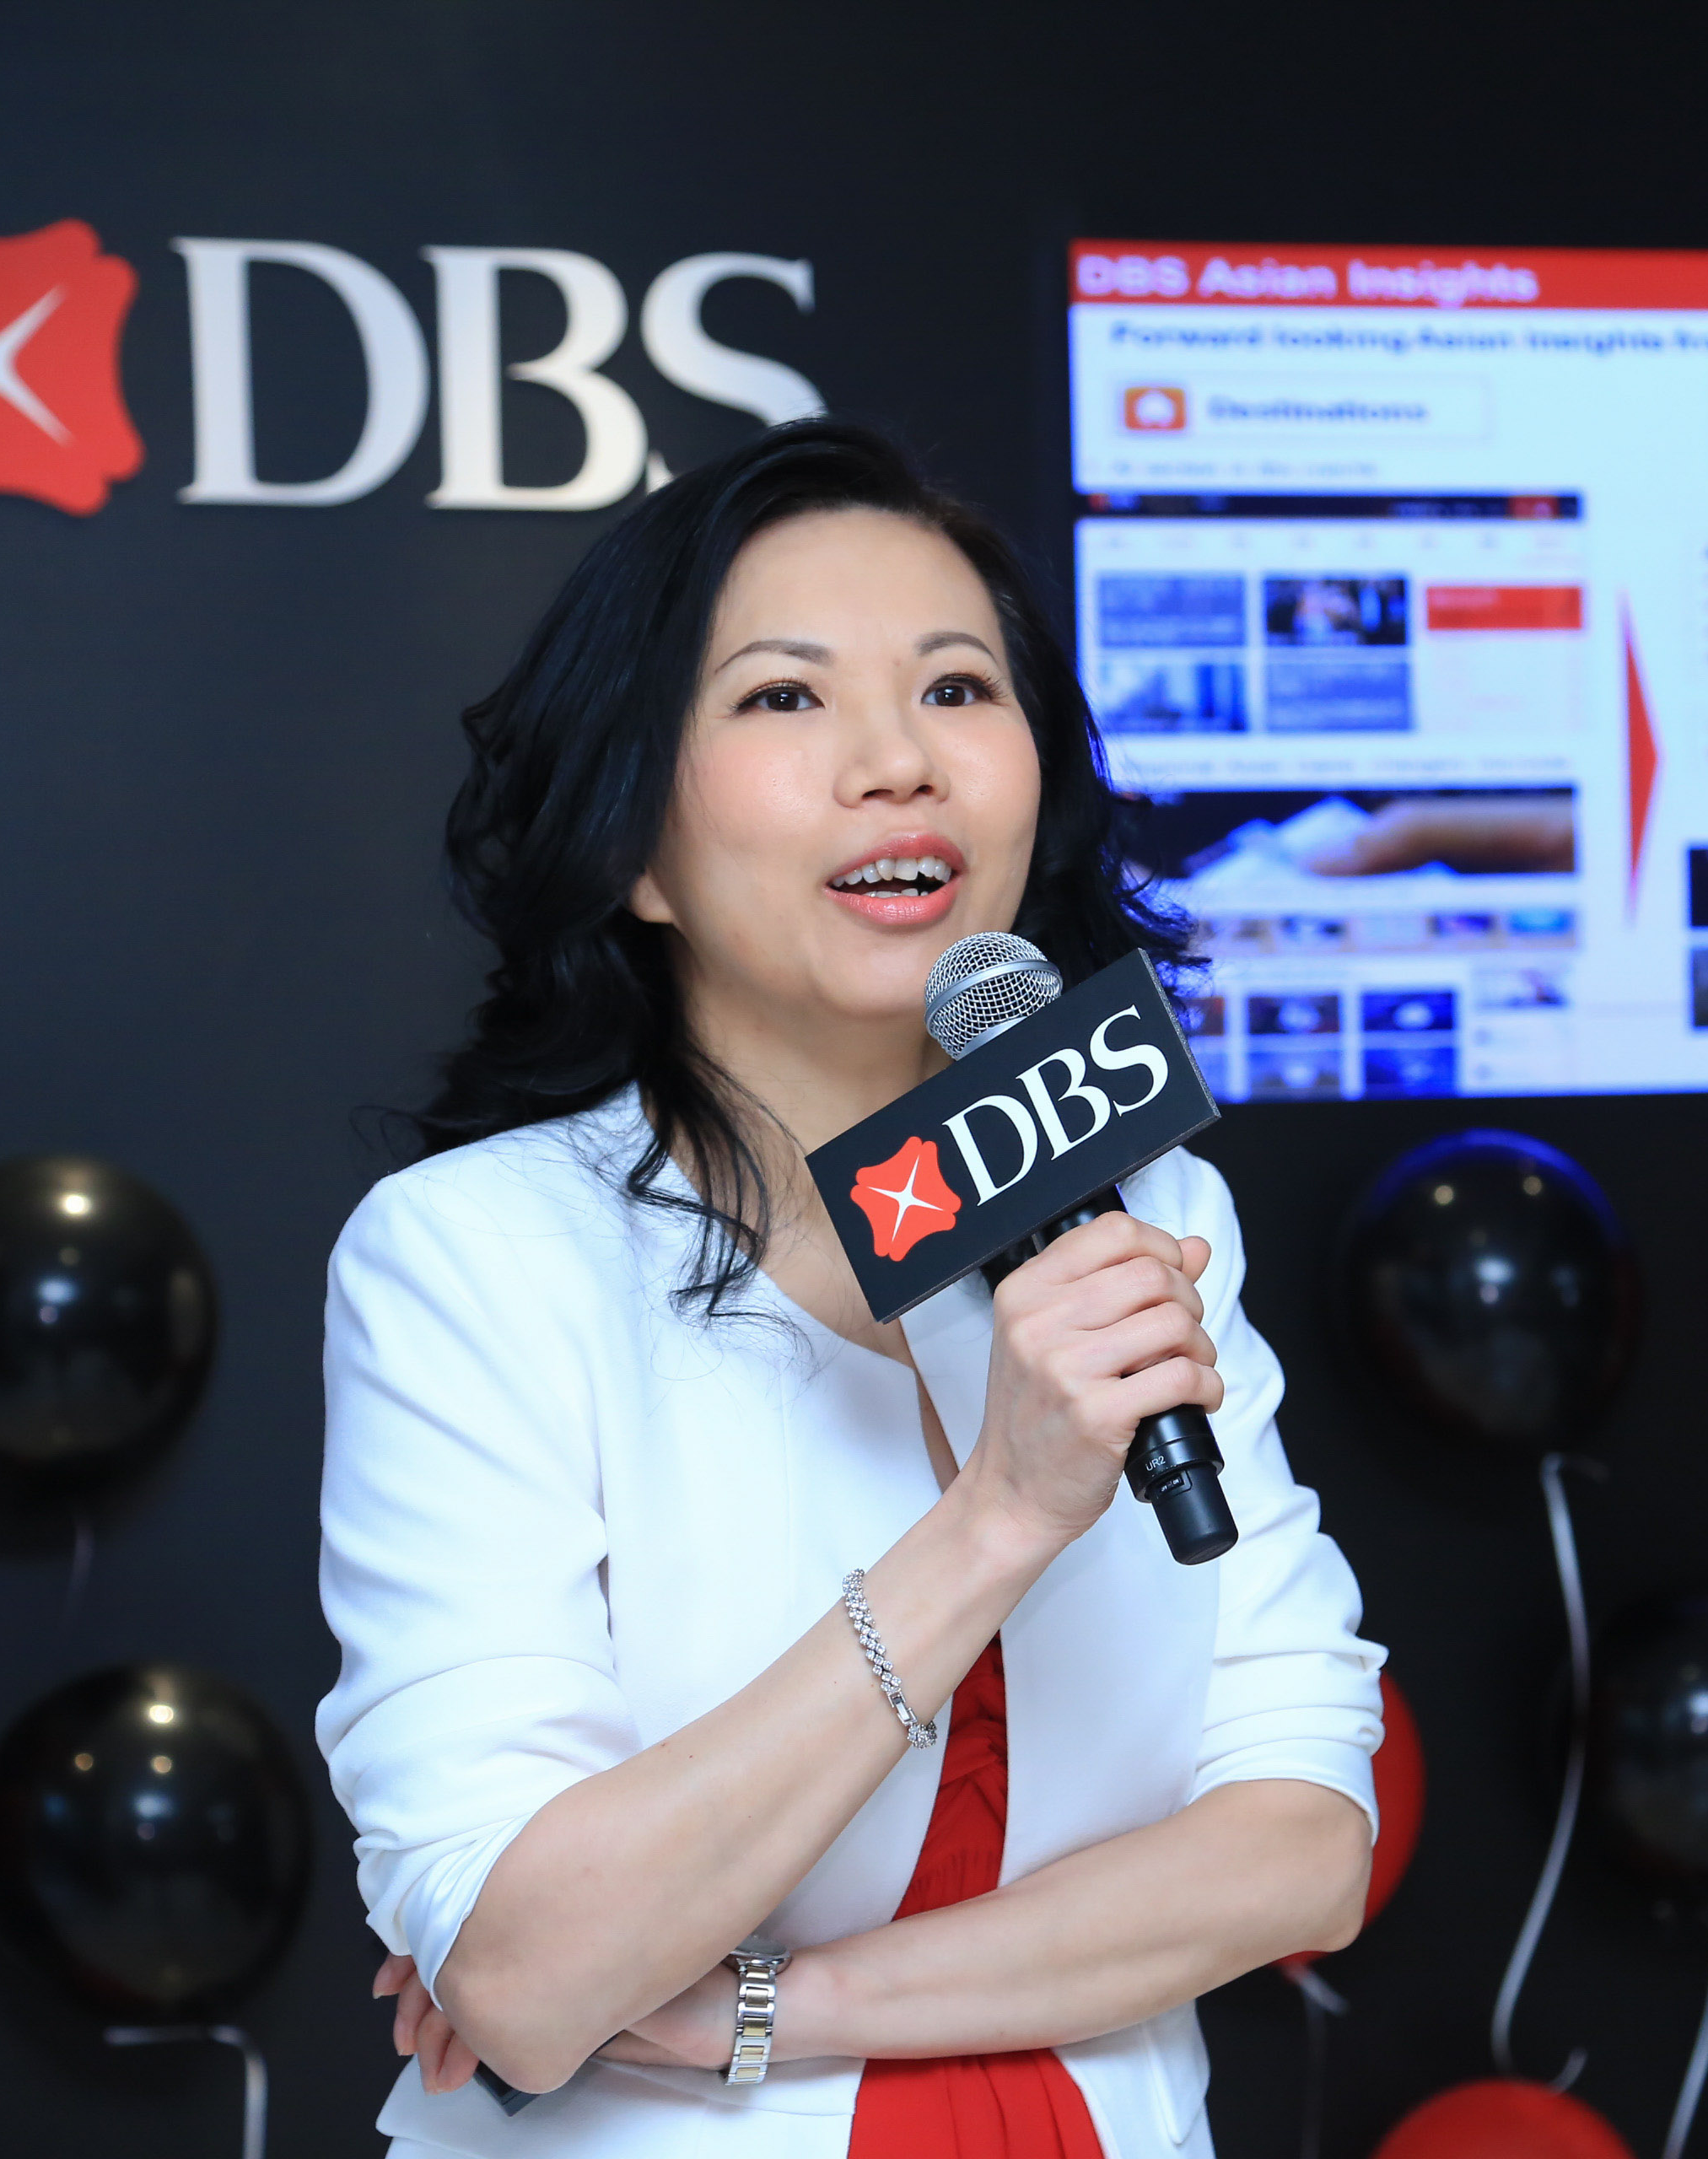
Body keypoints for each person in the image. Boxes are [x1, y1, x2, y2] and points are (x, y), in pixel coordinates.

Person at [315, 418, 1385, 2159]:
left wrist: (761, 2006)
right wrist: (1000, 1518)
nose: (899, 762)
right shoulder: (476, 1256)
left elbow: (1302, 1844)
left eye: (957, 688)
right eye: (784, 697)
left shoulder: (1145, 1198)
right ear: (636, 842)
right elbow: (525, 1968)